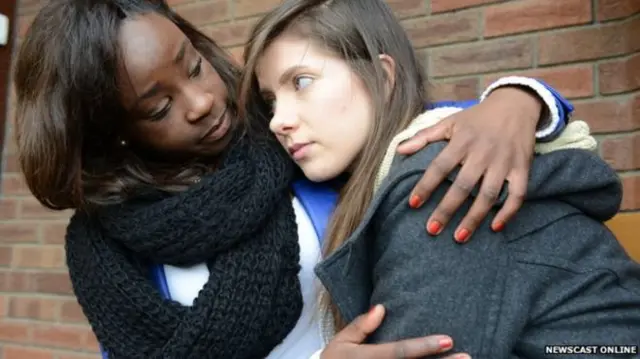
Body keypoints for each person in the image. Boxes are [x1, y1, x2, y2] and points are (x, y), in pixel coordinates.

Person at [14, 0, 576, 358]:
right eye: (159, 108)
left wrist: (519, 99)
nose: (205, 101)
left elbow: (424, 128)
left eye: (192, 65)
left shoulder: (290, 139)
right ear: (113, 133)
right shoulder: (105, 249)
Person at [239, 0, 640, 357]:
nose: (279, 120)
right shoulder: (388, 173)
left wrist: (522, 95)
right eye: (271, 101)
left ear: (382, 76)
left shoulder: (440, 178)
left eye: (301, 82)